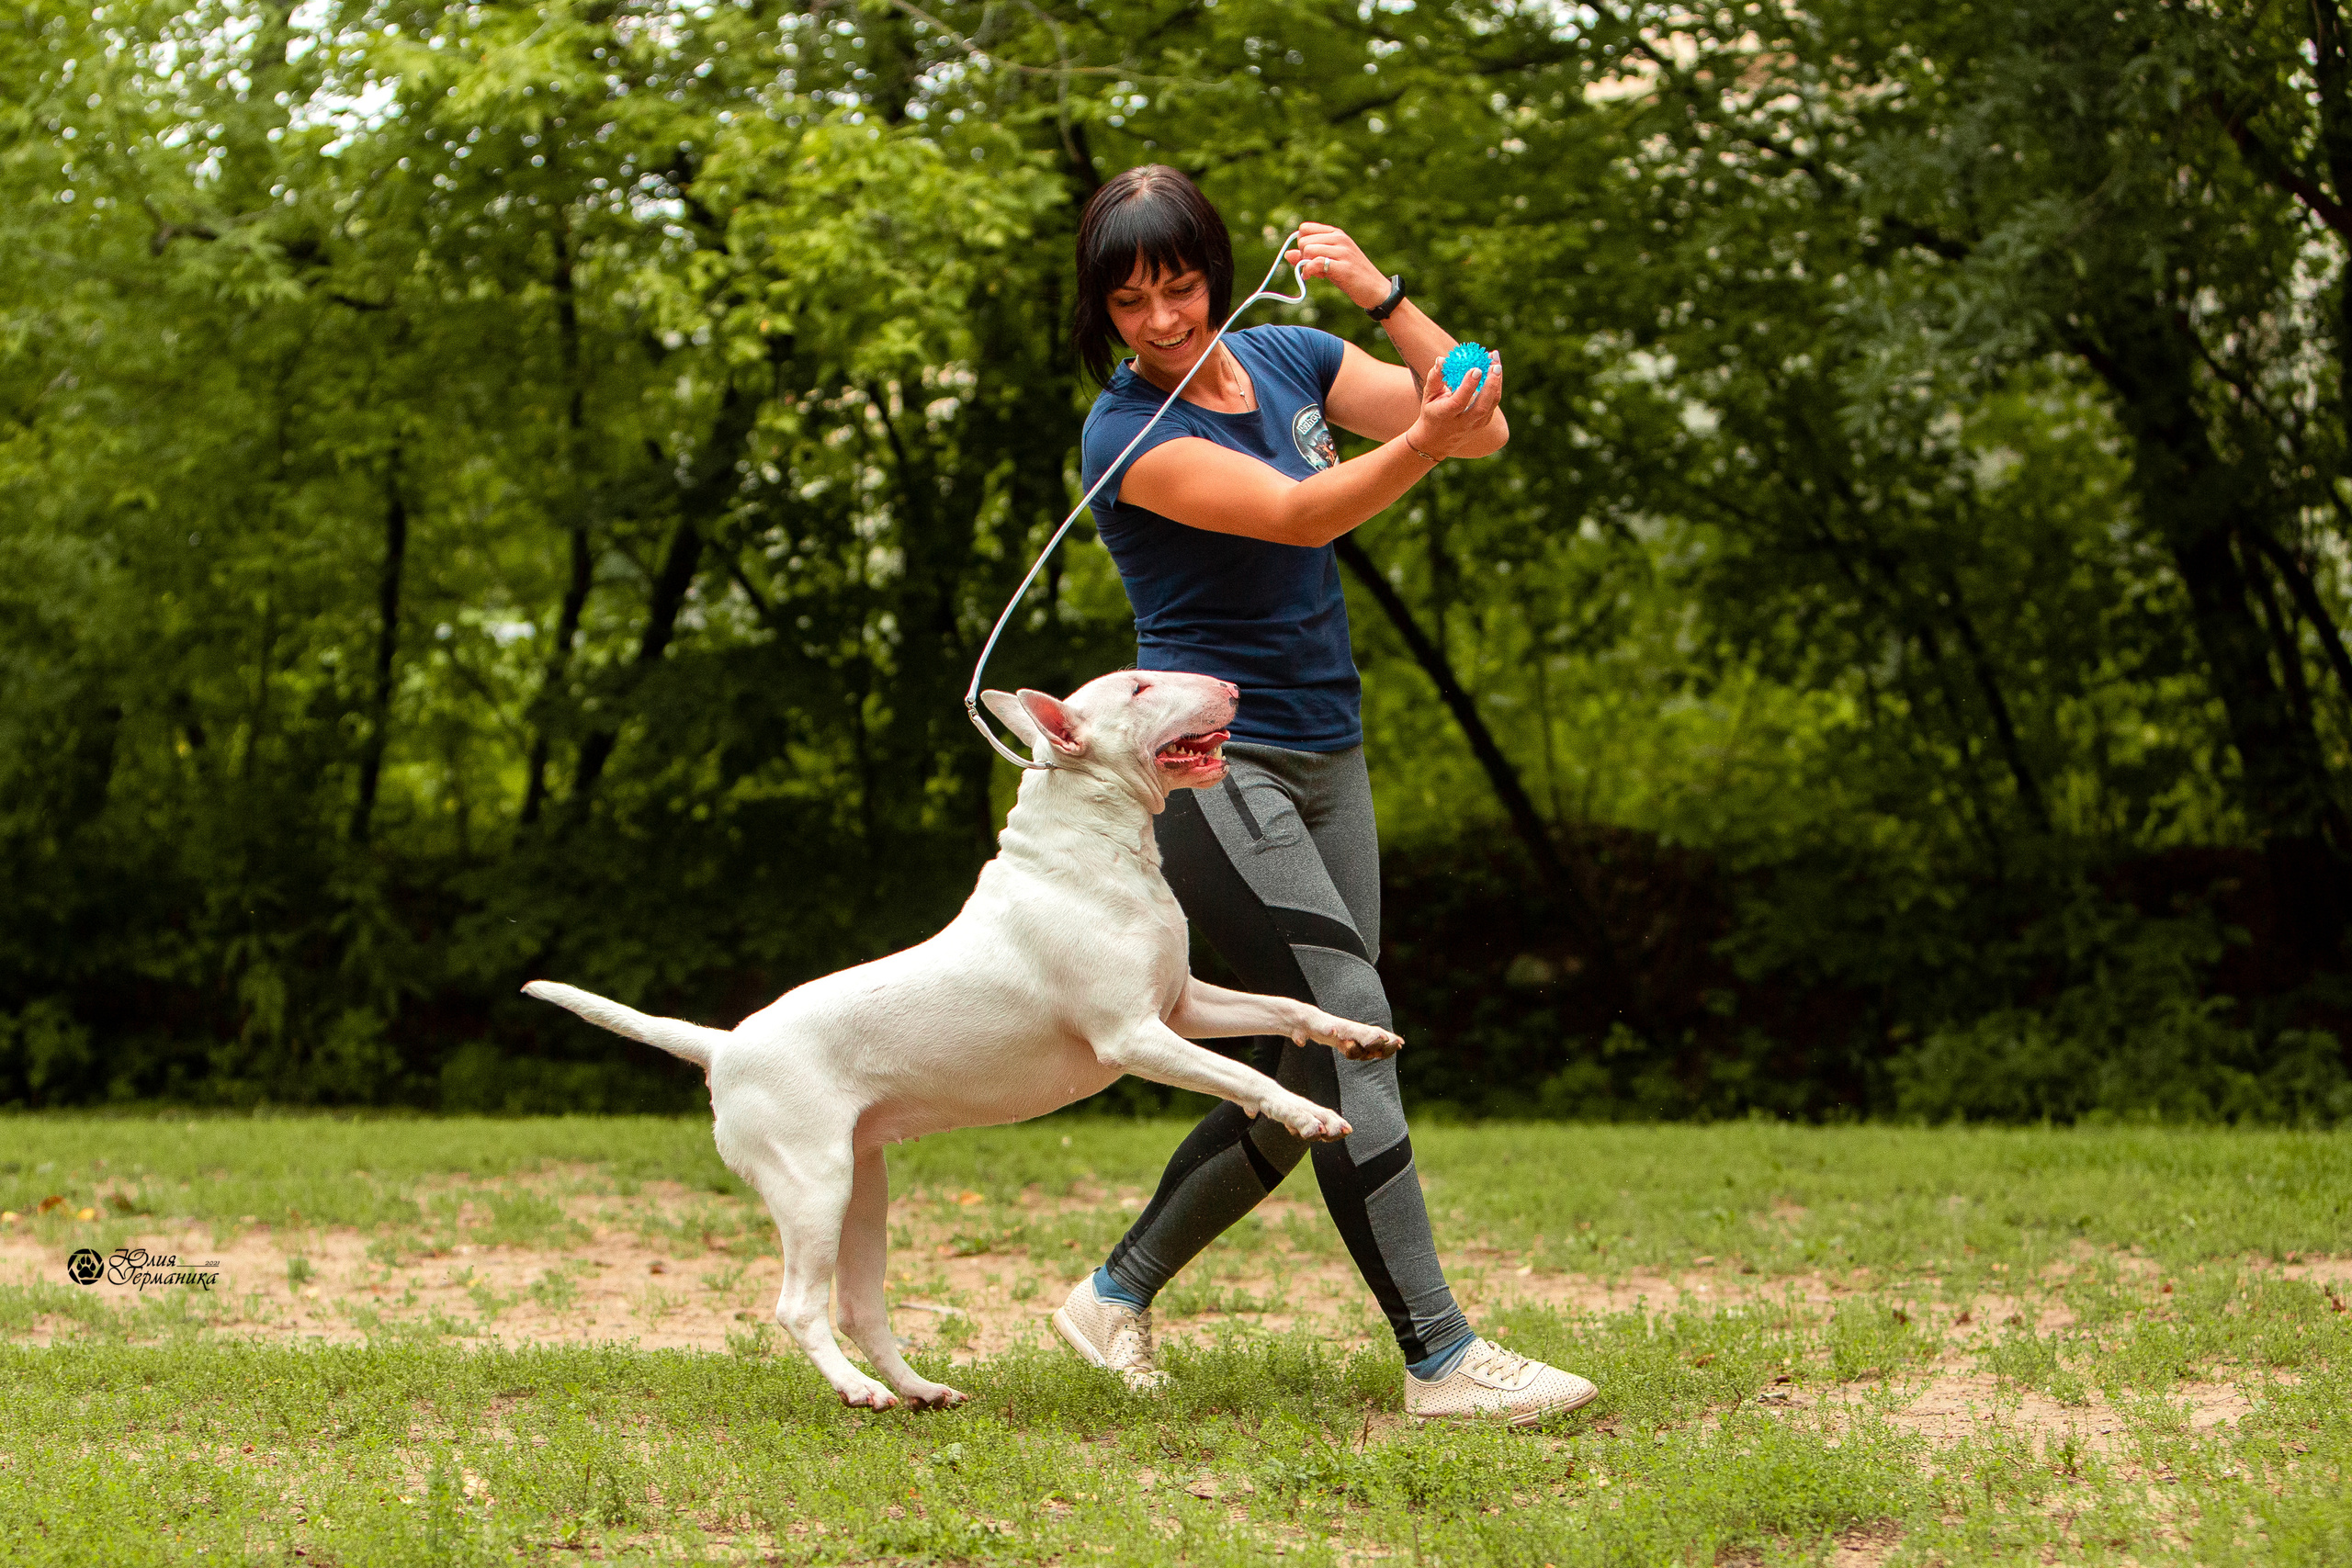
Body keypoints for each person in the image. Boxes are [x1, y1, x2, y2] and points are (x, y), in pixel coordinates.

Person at [1048, 164, 1599, 1426]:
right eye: (1130, 301)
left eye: (1180, 286)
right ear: (1104, 310)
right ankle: (1442, 1357)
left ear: (1216, 273)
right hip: (1211, 766)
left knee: (1305, 1064)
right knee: (1350, 1014)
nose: (1164, 319)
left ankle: (1111, 1294)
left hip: (1326, 752)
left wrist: (1384, 293)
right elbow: (1300, 515)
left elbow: (1485, 417)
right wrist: (1422, 436)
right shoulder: (1125, 432)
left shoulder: (1294, 351)